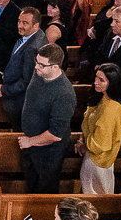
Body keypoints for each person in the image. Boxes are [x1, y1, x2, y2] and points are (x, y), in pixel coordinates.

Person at [17, 44, 77, 192]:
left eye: (42, 65)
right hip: (31, 144)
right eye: (36, 62)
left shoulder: (64, 94)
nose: (37, 67)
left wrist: (30, 142)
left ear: (56, 67)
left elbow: (56, 135)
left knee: (43, 190)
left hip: (48, 154)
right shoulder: (40, 72)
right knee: (30, 185)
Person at [80, 64, 121, 194]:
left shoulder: (111, 108)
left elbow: (101, 144)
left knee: (96, 198)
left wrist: (84, 144)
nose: (96, 82)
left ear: (113, 83)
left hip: (98, 161)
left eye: (101, 80)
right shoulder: (103, 98)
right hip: (93, 157)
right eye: (96, 77)